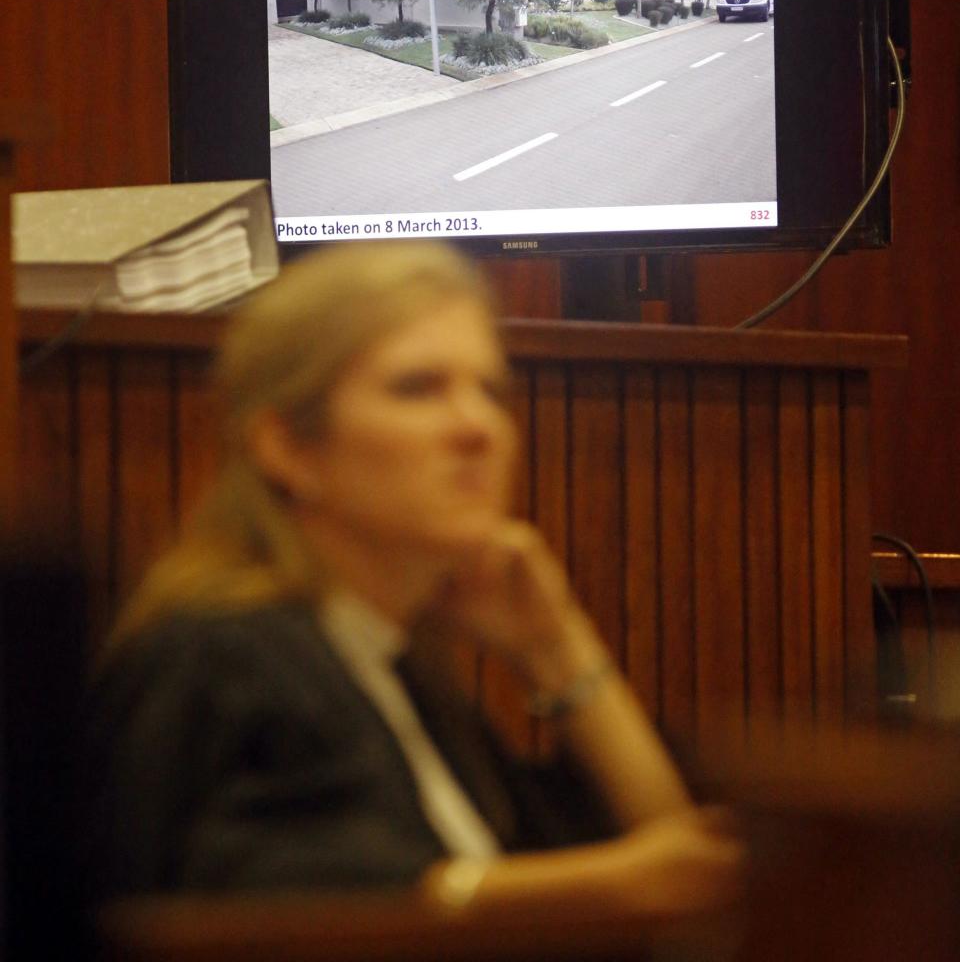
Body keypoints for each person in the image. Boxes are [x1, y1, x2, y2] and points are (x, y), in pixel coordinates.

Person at [84, 241, 741, 920]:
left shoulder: (394, 665)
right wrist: (585, 890)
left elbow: (670, 862)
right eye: (418, 387)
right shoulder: (212, 652)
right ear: (287, 446)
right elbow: (250, 896)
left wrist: (557, 647)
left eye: (489, 390)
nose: (478, 426)